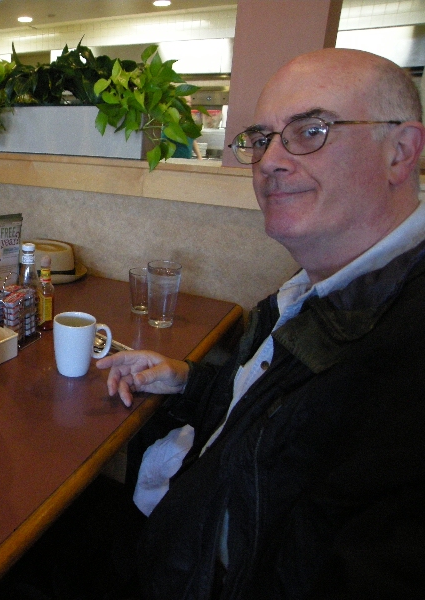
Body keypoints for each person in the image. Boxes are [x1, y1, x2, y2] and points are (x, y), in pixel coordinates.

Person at [97, 48, 425, 598]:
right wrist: (189, 379)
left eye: (311, 131)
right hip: (171, 533)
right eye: (262, 138)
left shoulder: (404, 361)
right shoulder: (320, 282)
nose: (269, 160)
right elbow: (267, 414)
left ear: (401, 152)